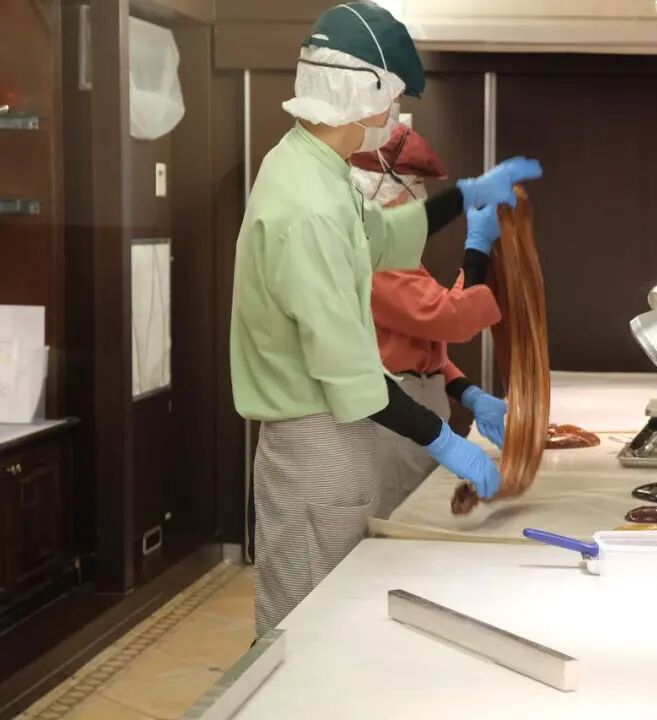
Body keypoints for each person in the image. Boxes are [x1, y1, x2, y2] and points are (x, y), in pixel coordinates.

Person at [230, 2, 542, 637]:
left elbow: (382, 235)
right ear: (363, 92)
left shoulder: (315, 169)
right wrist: (447, 442)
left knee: (339, 617)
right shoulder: (307, 205)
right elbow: (350, 372)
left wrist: (465, 197)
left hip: (341, 433)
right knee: (307, 630)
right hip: (315, 441)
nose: (395, 115)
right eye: (393, 99)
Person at [349, 125, 508, 518]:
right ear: (381, 187)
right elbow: (447, 317)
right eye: (416, 183)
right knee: (401, 524)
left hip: (421, 404)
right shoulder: (375, 257)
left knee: (423, 517)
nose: (421, 195)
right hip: (395, 413)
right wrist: (476, 251)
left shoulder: (395, 250)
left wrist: (465, 391)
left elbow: (419, 342)